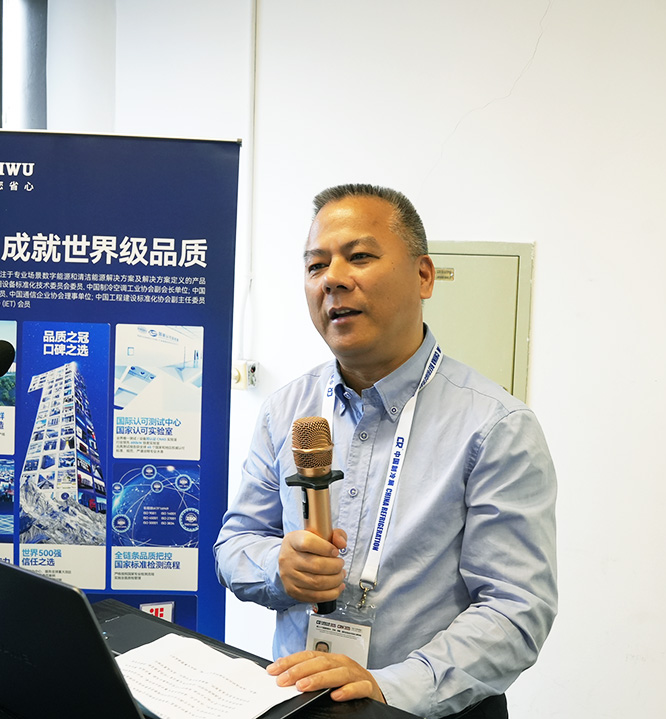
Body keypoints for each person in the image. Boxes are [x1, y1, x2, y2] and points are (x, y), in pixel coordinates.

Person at [214, 184, 557, 719]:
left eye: (359, 256)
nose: (332, 279)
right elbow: (235, 543)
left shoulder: (495, 426)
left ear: (424, 276)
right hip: (300, 704)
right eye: (316, 265)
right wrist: (277, 567)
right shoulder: (287, 411)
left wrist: (387, 687)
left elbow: (516, 608)